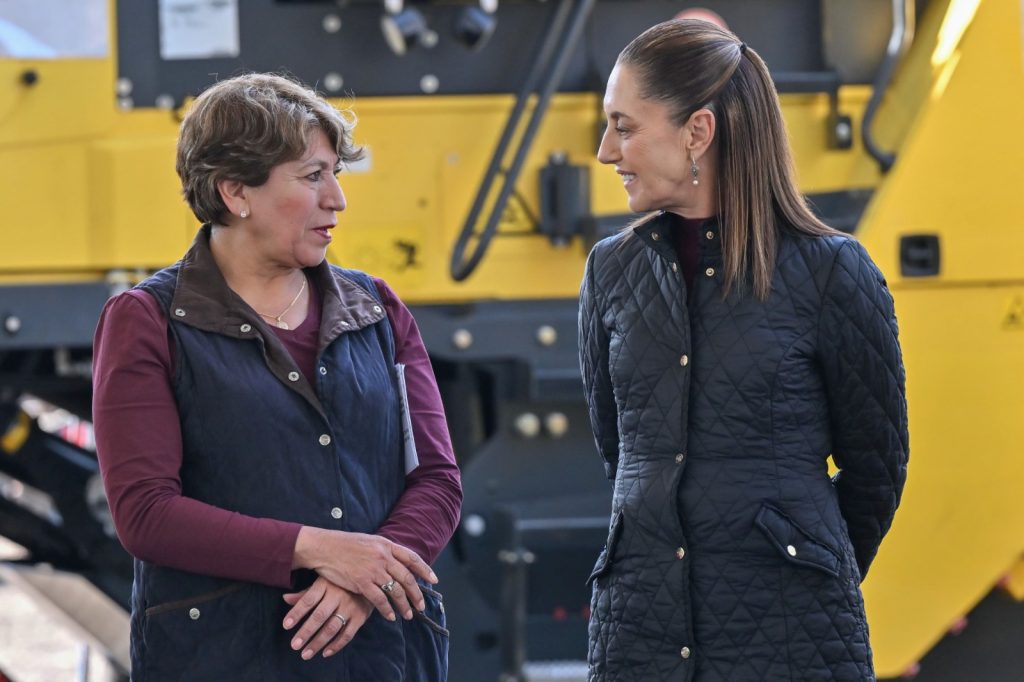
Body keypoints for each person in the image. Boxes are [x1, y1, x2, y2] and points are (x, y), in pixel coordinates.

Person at [92, 73, 462, 680]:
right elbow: (146, 514)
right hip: (223, 659)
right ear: (235, 190)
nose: (337, 199)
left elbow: (437, 480)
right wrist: (320, 550)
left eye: (335, 174)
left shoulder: (377, 308)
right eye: (313, 176)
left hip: (384, 655)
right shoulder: (147, 321)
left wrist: (366, 580)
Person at [578, 19, 908, 681]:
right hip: (638, 636)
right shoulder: (610, 271)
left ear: (698, 132)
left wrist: (802, 564)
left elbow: (877, 469)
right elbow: (621, 453)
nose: (606, 152)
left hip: (793, 639)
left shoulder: (833, 271)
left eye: (624, 127)